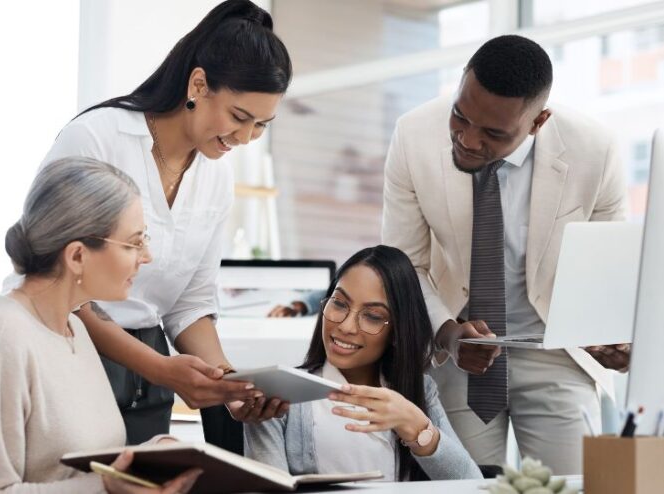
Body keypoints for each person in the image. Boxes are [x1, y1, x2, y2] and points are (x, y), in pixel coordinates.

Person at [34, 0, 293, 445]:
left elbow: (189, 304)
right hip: (68, 360)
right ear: (199, 84)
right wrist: (159, 368)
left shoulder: (217, 174)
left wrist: (228, 385)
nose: (246, 138)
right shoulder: (98, 138)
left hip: (146, 387)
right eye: (238, 117)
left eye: (261, 126)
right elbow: (53, 281)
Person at [381, 35, 631, 474]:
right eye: (460, 116)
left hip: (554, 345)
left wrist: (612, 334)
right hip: (460, 348)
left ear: (539, 122)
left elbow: (608, 269)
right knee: (463, 481)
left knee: (573, 484)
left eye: (494, 133)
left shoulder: (596, 150)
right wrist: (447, 333)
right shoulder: (413, 135)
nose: (469, 139)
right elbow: (405, 263)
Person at [0, 157, 202, 493]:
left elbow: (73, 465)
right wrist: (105, 488)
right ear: (77, 256)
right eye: (133, 243)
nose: (146, 257)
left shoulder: (73, 328)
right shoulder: (1, 338)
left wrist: (149, 457)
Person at [245, 246, 481, 481]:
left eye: (373, 316)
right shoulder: (279, 395)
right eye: (339, 303)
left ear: (399, 331)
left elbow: (474, 485)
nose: (346, 327)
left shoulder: (420, 390)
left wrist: (416, 426)